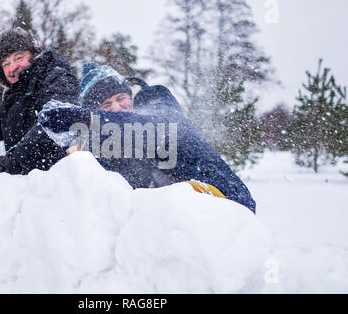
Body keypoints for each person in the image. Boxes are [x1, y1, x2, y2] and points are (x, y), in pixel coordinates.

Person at [38, 63, 256, 213]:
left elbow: (158, 126)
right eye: (106, 104)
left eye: (121, 98)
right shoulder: (112, 146)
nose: (116, 108)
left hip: (224, 200)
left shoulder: (156, 104)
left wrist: (88, 118)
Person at [0, 27, 79, 179]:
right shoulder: (15, 99)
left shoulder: (56, 78)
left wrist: (15, 159)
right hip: (27, 189)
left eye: (18, 58)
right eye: (6, 64)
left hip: (60, 184)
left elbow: (59, 120)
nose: (13, 67)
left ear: (34, 55)